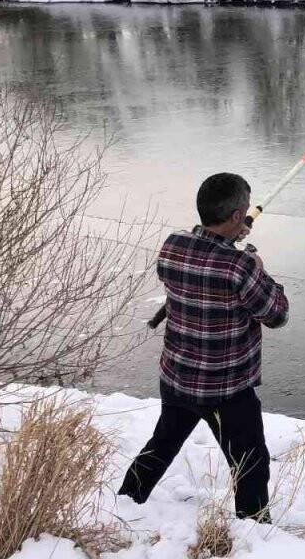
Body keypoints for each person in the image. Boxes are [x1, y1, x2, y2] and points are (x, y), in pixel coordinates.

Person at [119, 173, 289, 522]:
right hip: (227, 391)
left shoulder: (172, 246)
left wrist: (227, 239)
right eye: (242, 212)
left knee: (161, 446)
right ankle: (254, 533)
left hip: (178, 379)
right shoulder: (241, 267)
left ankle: (123, 504)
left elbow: (203, 263)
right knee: (250, 464)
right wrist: (258, 266)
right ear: (236, 217)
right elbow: (276, 314)